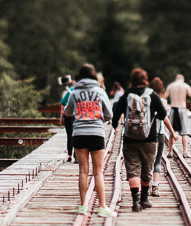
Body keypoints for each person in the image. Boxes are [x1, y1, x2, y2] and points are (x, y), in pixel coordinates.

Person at [61, 64, 116, 216]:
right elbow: (109, 114)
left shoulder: (74, 92)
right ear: (93, 76)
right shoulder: (100, 91)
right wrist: (100, 118)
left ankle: (83, 206)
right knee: (98, 172)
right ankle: (102, 207)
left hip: (79, 133)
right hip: (96, 133)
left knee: (83, 171)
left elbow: (68, 111)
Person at [114, 67, 169, 210]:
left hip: (129, 138)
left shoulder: (127, 94)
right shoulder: (153, 95)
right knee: (147, 169)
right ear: (145, 79)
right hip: (149, 138)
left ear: (132, 79)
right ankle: (144, 200)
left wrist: (115, 125)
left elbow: (116, 112)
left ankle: (135, 202)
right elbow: (163, 114)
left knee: (132, 169)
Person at [163, 72, 191, 151]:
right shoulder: (185, 86)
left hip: (173, 109)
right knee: (184, 132)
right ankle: (185, 152)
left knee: (172, 132)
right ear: (183, 79)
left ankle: (170, 151)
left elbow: (164, 97)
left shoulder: (171, 86)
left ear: (176, 79)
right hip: (182, 109)